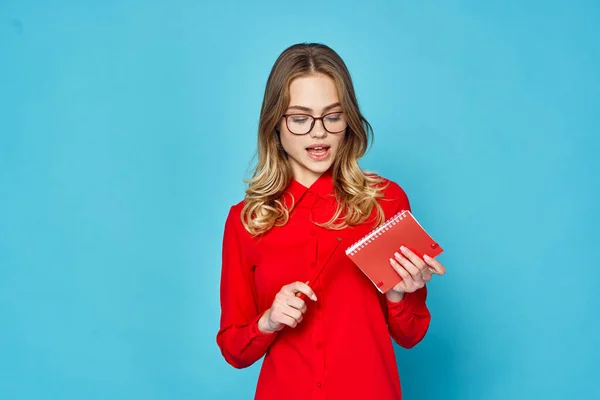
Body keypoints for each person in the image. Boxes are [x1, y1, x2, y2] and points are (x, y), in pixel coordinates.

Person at [216, 42, 446, 400]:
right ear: (275, 123)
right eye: (300, 117)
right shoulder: (246, 221)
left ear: (348, 120)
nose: (318, 132)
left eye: (333, 116)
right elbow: (234, 349)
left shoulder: (385, 202)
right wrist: (269, 321)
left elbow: (411, 335)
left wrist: (400, 294)